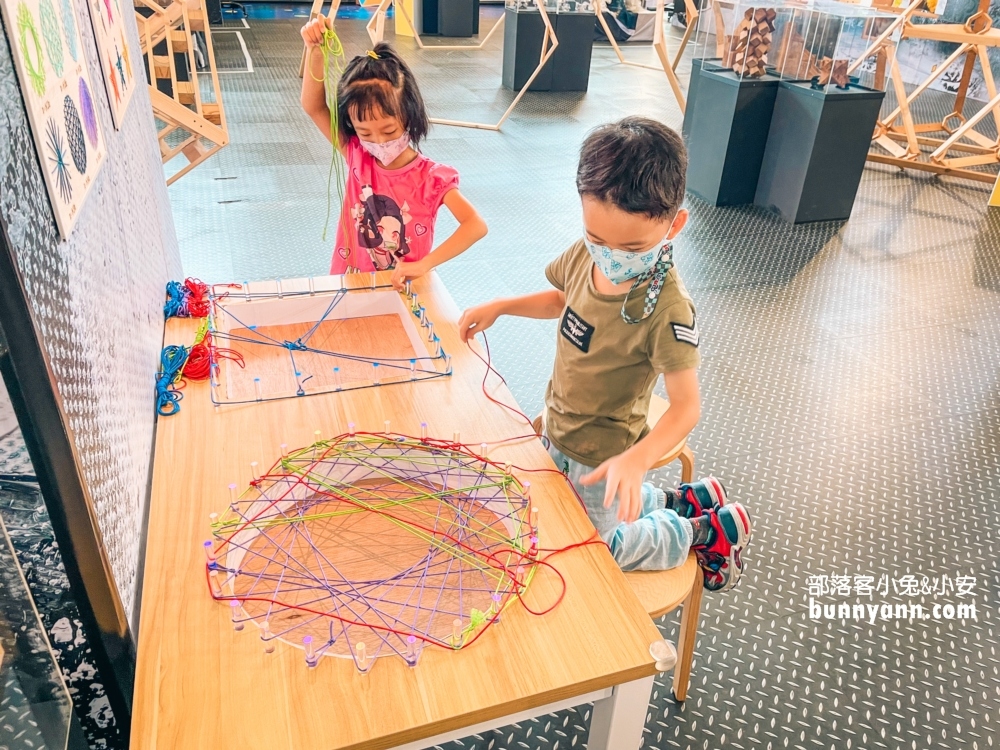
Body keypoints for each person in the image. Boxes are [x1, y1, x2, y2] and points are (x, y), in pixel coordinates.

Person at [457, 117, 751, 591]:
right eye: (597, 239)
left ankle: (705, 531)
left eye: (632, 245)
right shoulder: (583, 255)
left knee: (595, 545)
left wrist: (635, 461)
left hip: (606, 451)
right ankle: (683, 500)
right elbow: (562, 300)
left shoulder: (668, 309)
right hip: (560, 428)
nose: (611, 256)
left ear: (675, 224)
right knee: (560, 508)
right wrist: (503, 307)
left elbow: (686, 407)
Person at [300, 23, 486, 285]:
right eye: (365, 133)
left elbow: (475, 225)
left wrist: (425, 264)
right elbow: (314, 106)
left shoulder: (432, 179)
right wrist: (314, 51)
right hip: (351, 280)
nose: (378, 142)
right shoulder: (356, 153)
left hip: (402, 288)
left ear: (409, 115)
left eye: (388, 131)